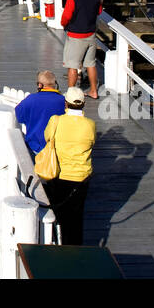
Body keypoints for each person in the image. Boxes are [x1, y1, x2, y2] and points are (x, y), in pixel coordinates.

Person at [42, 87, 95, 246]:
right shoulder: (90, 124)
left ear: (66, 103)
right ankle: (75, 248)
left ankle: (60, 246)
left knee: (60, 215)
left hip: (59, 175)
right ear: (83, 104)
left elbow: (47, 137)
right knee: (76, 217)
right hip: (81, 177)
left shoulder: (56, 121)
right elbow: (92, 142)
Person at [60, 0, 102, 98]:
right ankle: (94, 91)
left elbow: (66, 16)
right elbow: (99, 11)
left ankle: (71, 93)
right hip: (91, 34)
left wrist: (63, 24)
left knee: (72, 65)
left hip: (76, 35)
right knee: (90, 64)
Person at [14, 71, 67, 154]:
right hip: (57, 146)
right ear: (55, 84)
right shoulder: (63, 100)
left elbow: (19, 117)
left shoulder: (31, 99)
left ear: (39, 85)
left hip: (36, 146)